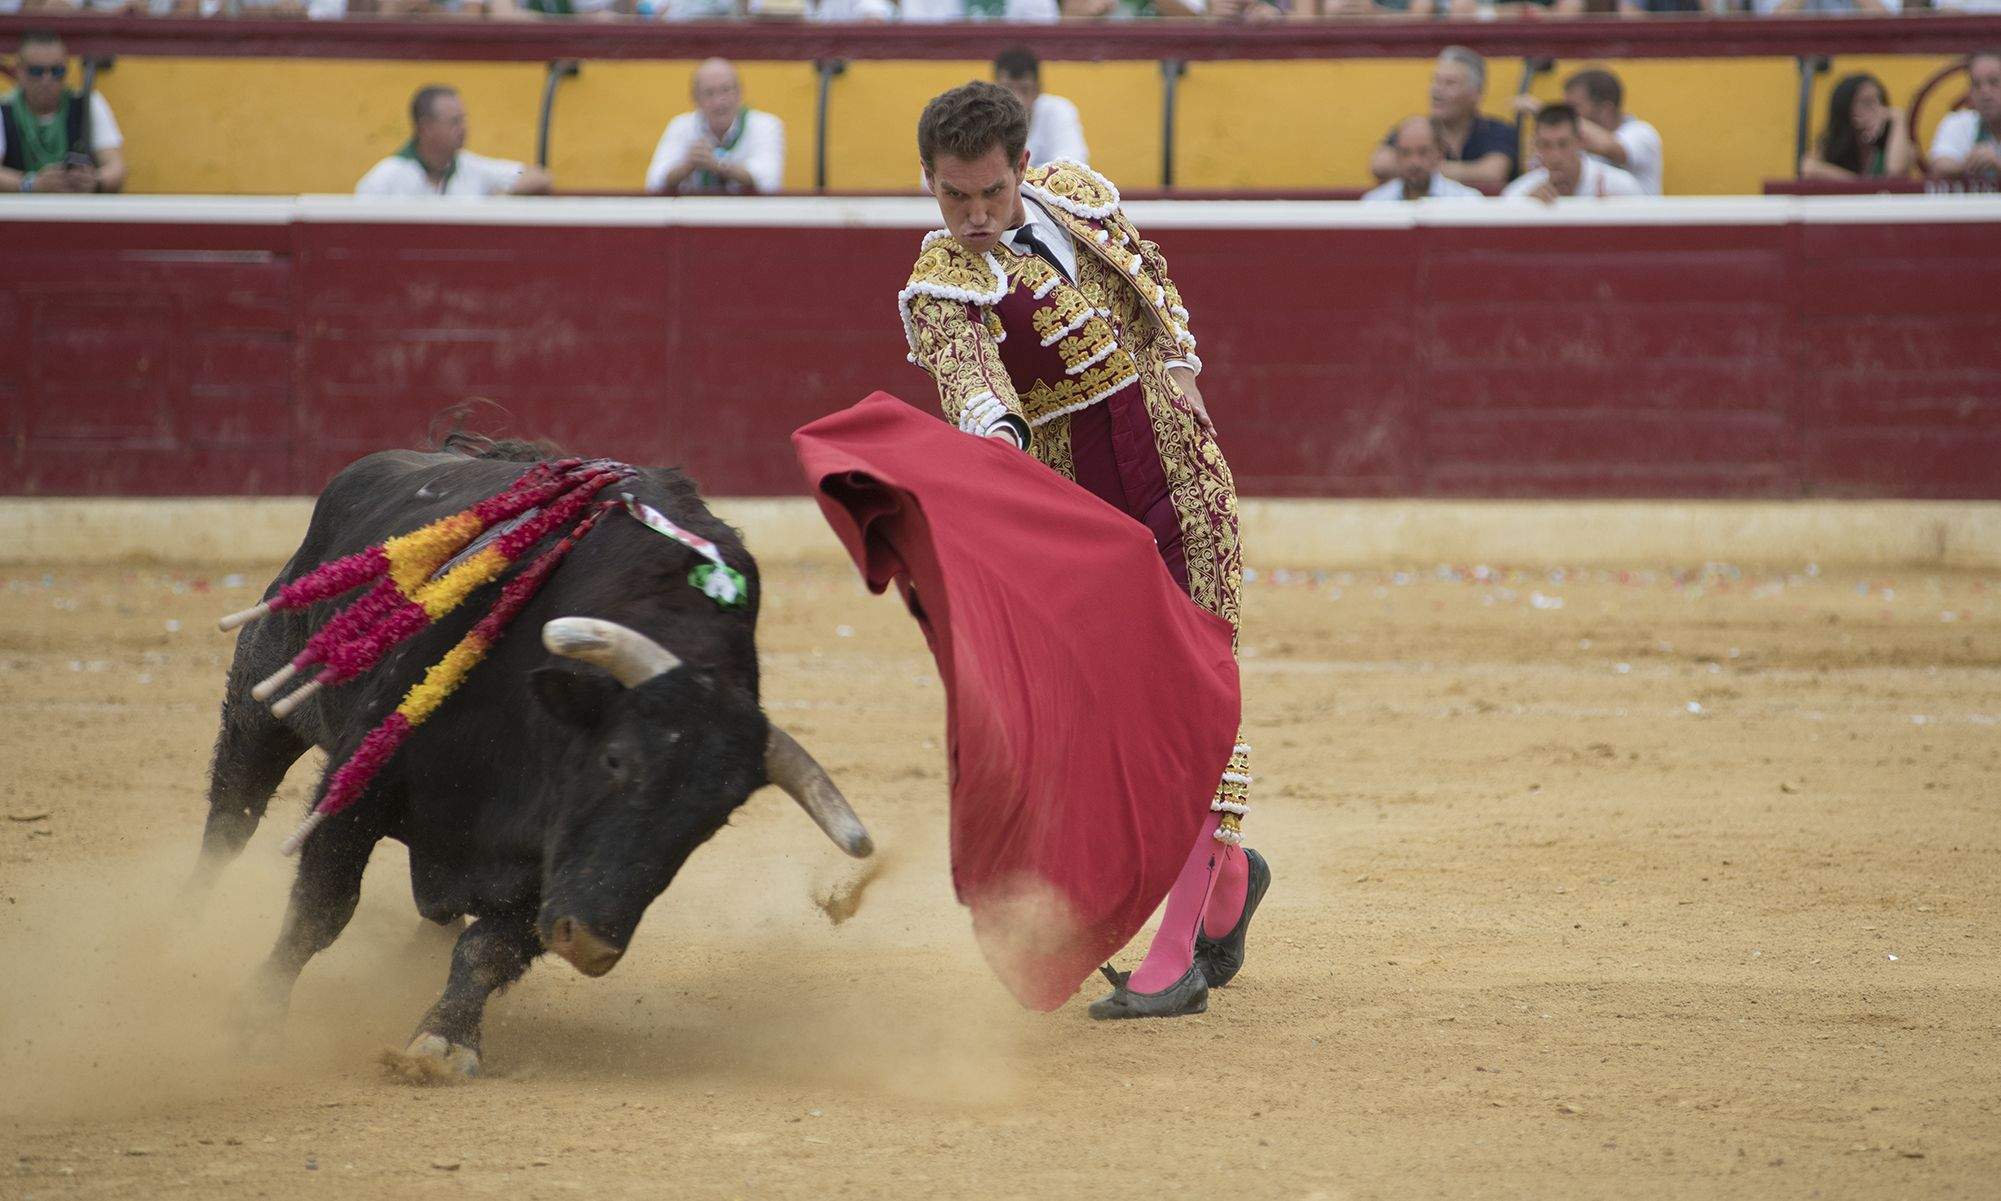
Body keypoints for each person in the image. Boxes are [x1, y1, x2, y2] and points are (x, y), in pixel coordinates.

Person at [901, 82, 1270, 1020]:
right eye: (954, 197)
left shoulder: (1077, 193)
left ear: (1022, 167)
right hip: (1089, 514)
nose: (976, 217)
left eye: (989, 192)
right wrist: (997, 447)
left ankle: (1176, 950)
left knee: (1196, 691)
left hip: (1185, 483)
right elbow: (971, 379)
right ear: (929, 185)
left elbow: (1150, 278)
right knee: (1124, 714)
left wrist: (1179, 363)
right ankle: (1224, 881)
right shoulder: (941, 280)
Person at [356, 86, 552, 197]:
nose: (464, 128)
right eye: (454, 122)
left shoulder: (473, 167)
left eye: (463, 120)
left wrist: (504, 194)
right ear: (426, 128)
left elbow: (539, 176)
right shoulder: (385, 178)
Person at [1369, 47, 1518, 191]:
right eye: (1436, 81)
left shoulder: (1498, 130)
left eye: (1449, 83)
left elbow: (1492, 173)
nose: (1437, 91)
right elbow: (1380, 164)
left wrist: (1424, 168)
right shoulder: (1418, 130)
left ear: (1476, 93)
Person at [1, 31, 125, 194]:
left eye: (57, 71)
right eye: (36, 71)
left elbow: (116, 167)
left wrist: (94, 181)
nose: (47, 79)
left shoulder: (88, 103)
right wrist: (32, 184)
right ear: (19, 71)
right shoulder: (4, 109)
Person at [645, 58, 785, 196]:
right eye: (709, 93)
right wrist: (687, 166)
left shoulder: (766, 125)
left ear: (740, 93)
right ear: (695, 99)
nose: (719, 102)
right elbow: (654, 182)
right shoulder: (680, 125)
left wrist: (718, 165)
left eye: (726, 90)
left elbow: (769, 181)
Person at [1515, 67, 1663, 196]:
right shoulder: (1577, 141)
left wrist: (1545, 112)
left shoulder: (1642, 133)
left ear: (1606, 109)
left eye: (1574, 107)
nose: (1568, 113)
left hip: (1638, 222)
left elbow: (1611, 147)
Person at [1502, 104, 1646, 201]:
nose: (1555, 155)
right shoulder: (1520, 194)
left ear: (1579, 142)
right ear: (1536, 146)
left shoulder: (1619, 187)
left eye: (1563, 144)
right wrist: (1527, 209)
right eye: (1546, 145)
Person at [1801, 73, 1914, 181]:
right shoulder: (1833, 143)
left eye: (1880, 101)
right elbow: (1809, 168)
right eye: (1866, 103)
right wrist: (1865, 187)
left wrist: (1899, 118)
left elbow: (1895, 173)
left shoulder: (1894, 140)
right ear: (1846, 108)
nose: (1876, 109)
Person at [993, 46, 1089, 167]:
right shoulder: (984, 117)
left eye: (1025, 90)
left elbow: (1074, 165)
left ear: (1038, 90)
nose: (1017, 99)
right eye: (1008, 89)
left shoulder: (1059, 110)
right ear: (995, 90)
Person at [1361, 116, 1483, 202]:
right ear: (1396, 156)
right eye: (1405, 153)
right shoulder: (1375, 202)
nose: (1414, 162)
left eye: (1423, 152)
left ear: (1439, 154)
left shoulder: (1467, 201)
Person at [1928, 51, 2001, 185]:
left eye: (1994, 82)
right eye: (1976, 85)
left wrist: (1997, 164)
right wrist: (1971, 165)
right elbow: (1939, 164)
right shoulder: (1959, 122)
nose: (1985, 92)